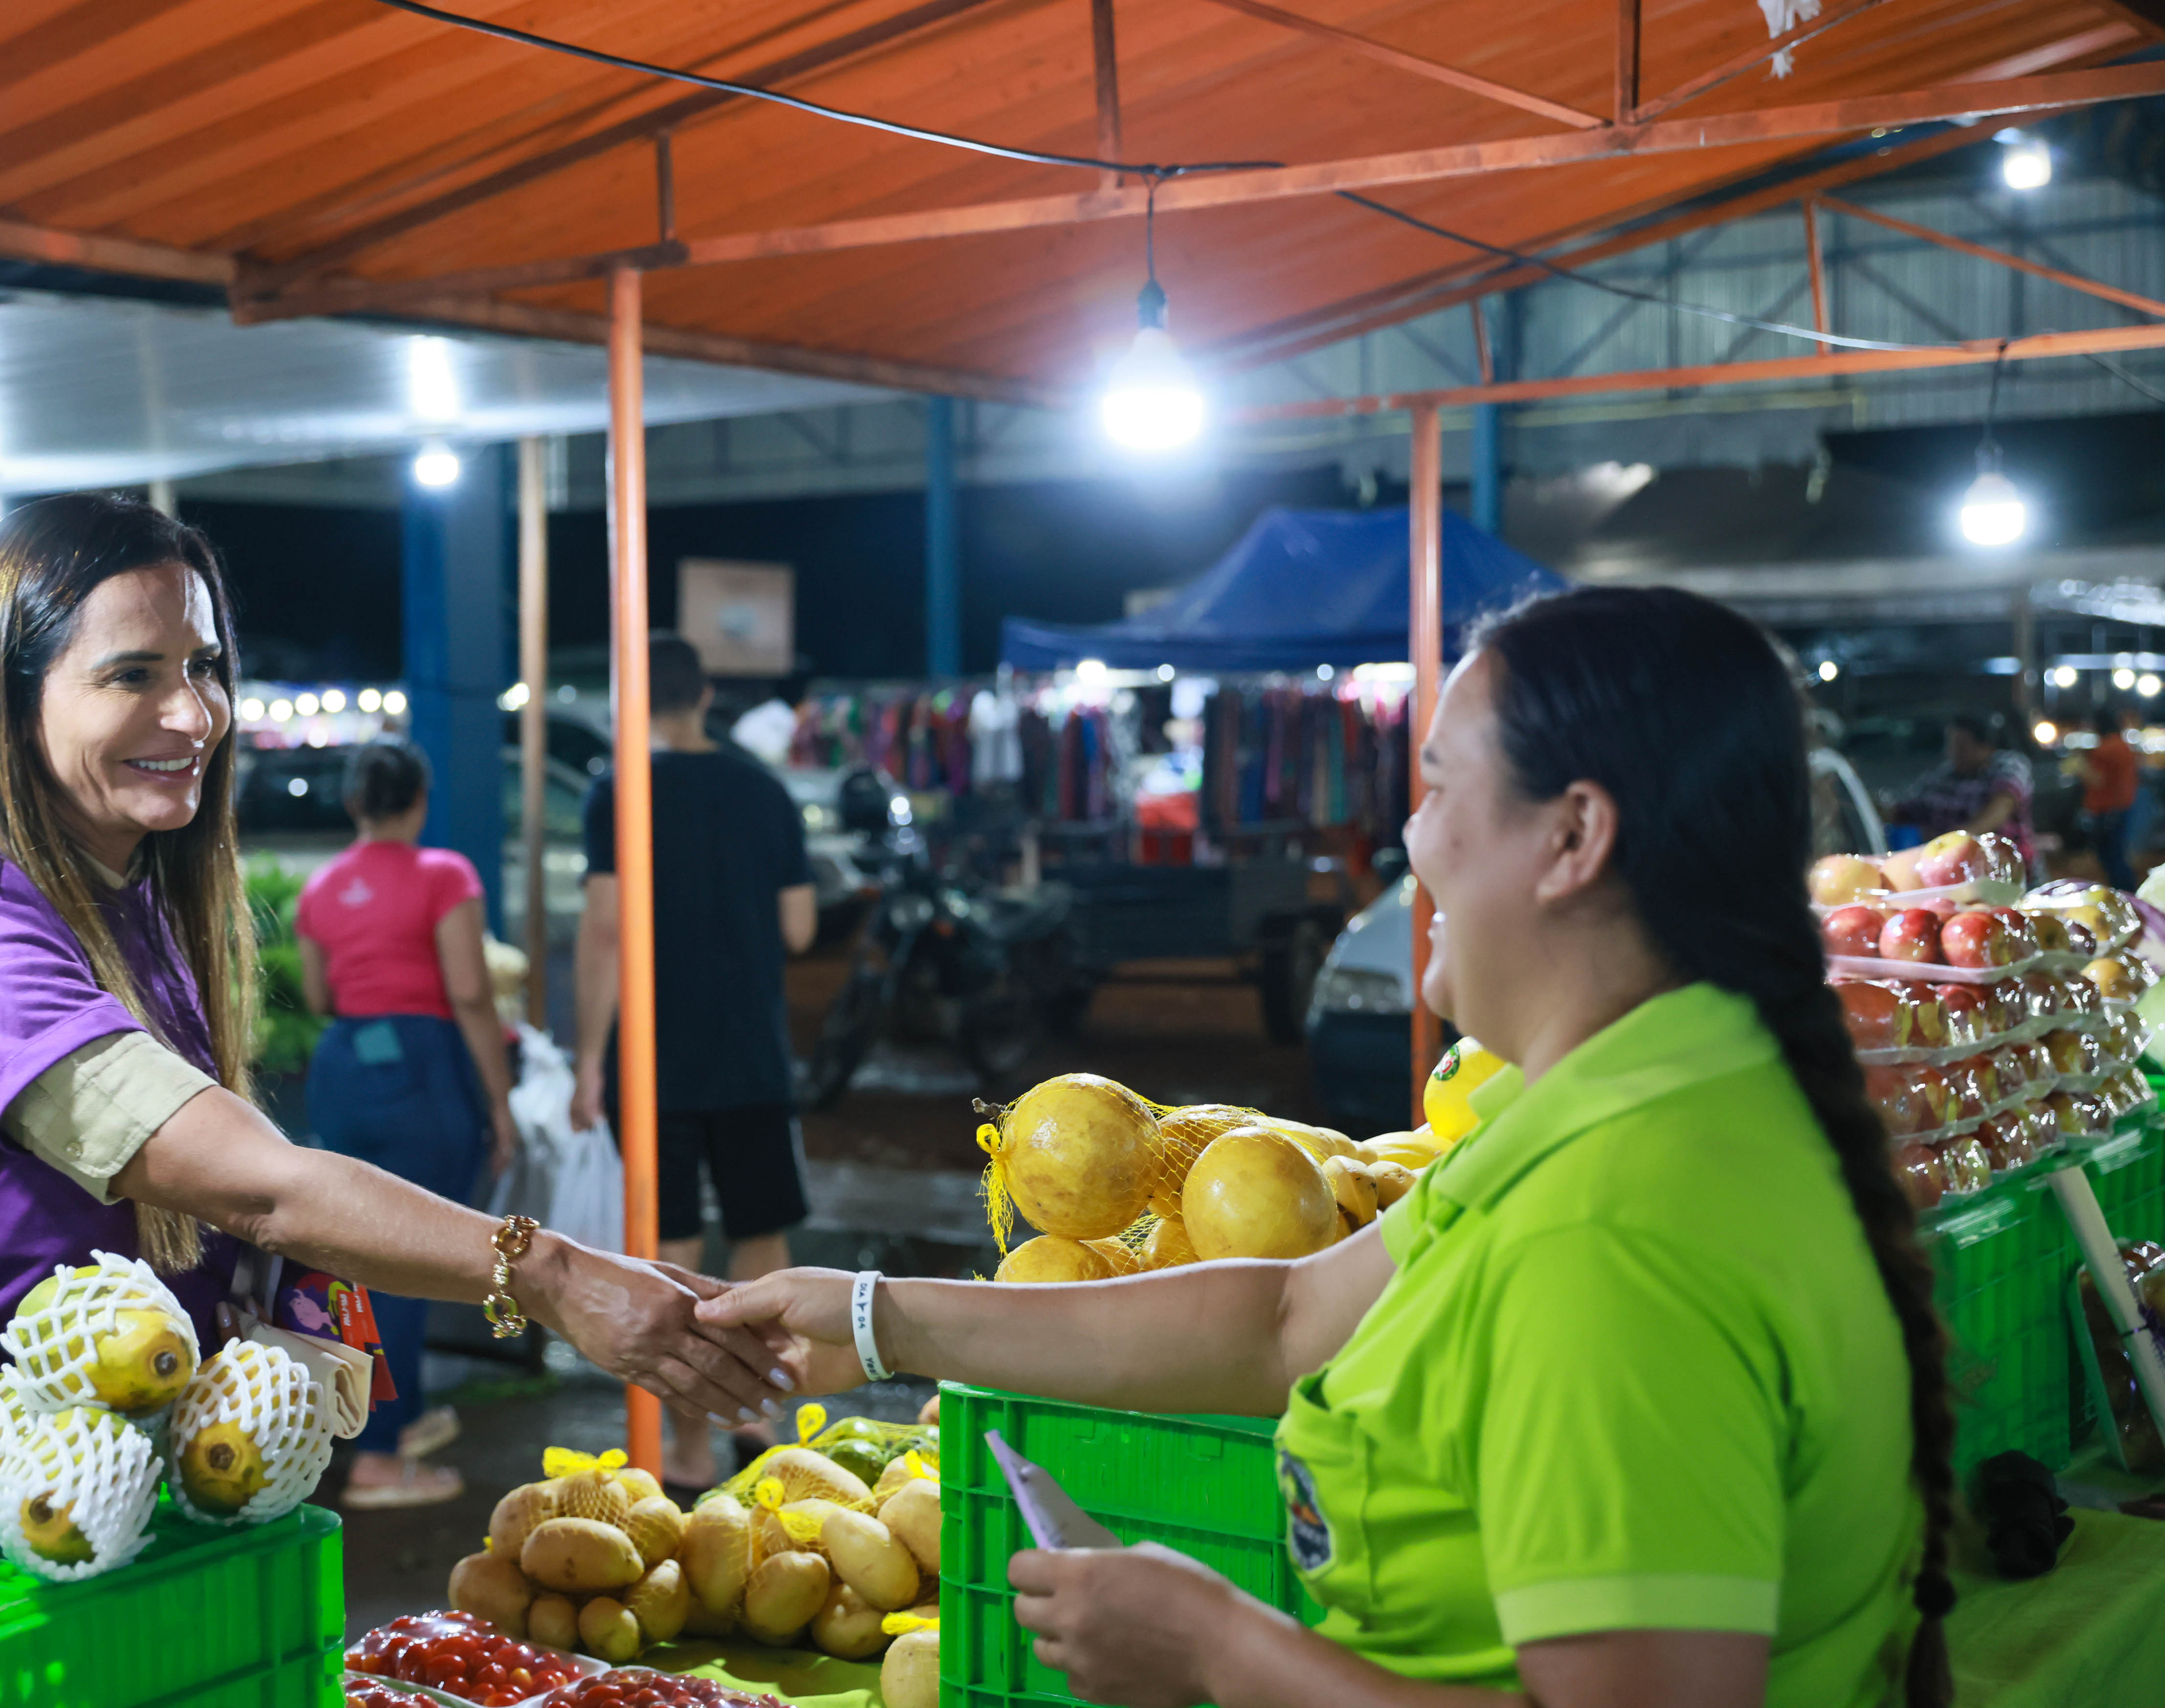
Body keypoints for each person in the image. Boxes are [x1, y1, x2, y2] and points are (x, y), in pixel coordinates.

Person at [706, 586, 1955, 1708]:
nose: (1404, 844)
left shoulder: (1611, 1240)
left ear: (1574, 836)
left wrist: (1220, 1650)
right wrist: (875, 1316)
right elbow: (1290, 1318)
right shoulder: (1627, 1106)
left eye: (1439, 788)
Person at [0, 494, 790, 1433]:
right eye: (132, 674)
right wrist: (555, 1276)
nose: (195, 716)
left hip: (114, 1466)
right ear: (11, 706)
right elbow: (263, 1190)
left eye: (205, 668)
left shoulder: (122, 891)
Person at [573, 633, 818, 1492]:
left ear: (635, 699)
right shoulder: (764, 789)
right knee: (762, 1234)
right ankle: (759, 1418)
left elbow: (602, 930)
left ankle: (682, 1450)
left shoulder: (620, 792)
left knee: (669, 1243)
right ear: (707, 693)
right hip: (750, 1046)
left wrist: (589, 1060)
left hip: (656, 1058)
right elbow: (798, 929)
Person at [295, 736, 521, 1508]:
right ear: (419, 801)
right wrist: (499, 1101)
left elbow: (321, 997)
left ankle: (397, 1416)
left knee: (358, 1252)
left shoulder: (320, 887)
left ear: (355, 802)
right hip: (420, 1068)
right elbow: (469, 990)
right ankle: (379, 1456)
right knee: (412, 1255)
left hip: (344, 1068)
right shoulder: (443, 875)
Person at [1897, 710, 2035, 873]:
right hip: (1960, 875)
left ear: (1985, 747)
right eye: (1951, 745)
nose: (1953, 752)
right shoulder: (1941, 778)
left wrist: (1954, 843)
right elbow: (1906, 810)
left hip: (2010, 871)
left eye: (1962, 746)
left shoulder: (2009, 766)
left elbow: (2001, 807)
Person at [2075, 708, 2140, 889]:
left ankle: (2126, 898)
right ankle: (2130, 897)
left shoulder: (2106, 749)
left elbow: (2097, 780)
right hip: (2124, 807)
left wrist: (2080, 765)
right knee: (2118, 855)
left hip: (2107, 810)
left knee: (2111, 858)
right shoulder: (2123, 745)